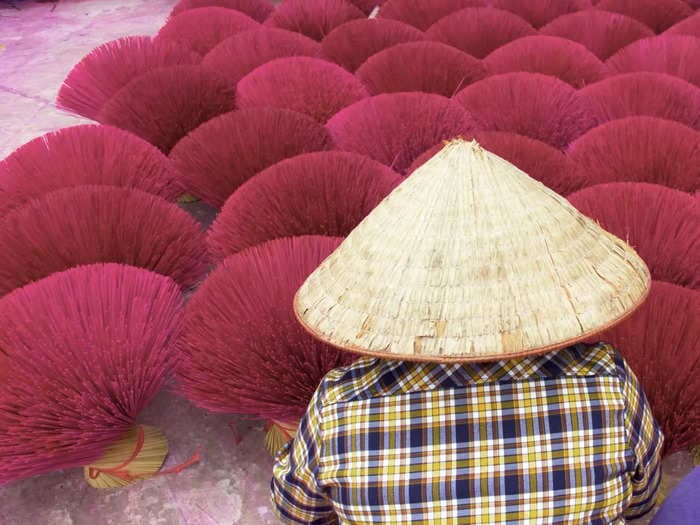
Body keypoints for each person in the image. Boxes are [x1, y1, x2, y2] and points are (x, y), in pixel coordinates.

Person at [271, 139, 663, 524]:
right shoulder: (608, 381)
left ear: (396, 292)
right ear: (543, 279)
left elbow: (296, 511)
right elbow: (642, 504)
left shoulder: (340, 406)